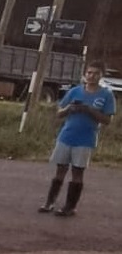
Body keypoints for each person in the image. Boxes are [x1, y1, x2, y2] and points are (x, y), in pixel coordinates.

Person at [39, 61, 115, 216]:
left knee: (77, 172)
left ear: (101, 76)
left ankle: (70, 206)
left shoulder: (106, 95)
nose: (91, 76)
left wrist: (89, 110)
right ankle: (50, 202)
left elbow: (107, 120)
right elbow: (59, 112)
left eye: (96, 73)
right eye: (89, 73)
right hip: (67, 135)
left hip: (85, 138)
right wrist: (69, 109)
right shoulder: (75, 91)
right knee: (60, 169)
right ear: (84, 74)